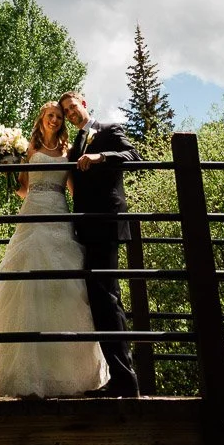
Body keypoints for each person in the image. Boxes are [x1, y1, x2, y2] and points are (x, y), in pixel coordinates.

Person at [0, 101, 109, 398]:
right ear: (41, 119)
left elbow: (73, 189)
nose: (54, 120)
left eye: (58, 117)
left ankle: (69, 374)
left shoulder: (69, 153)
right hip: (32, 214)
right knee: (27, 282)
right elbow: (24, 189)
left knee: (64, 286)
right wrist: (6, 169)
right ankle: (28, 376)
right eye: (50, 116)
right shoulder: (28, 150)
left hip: (58, 214)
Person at [59, 90, 141, 398]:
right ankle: (118, 377)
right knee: (99, 298)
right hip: (86, 228)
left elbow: (134, 157)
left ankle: (126, 380)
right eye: (66, 111)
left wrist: (101, 157)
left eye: (73, 107)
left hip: (106, 223)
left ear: (84, 104)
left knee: (108, 298)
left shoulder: (107, 130)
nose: (71, 113)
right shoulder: (76, 144)